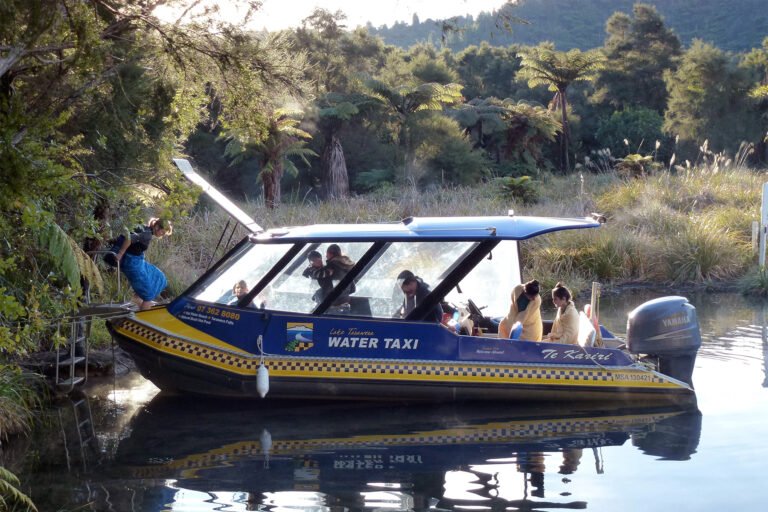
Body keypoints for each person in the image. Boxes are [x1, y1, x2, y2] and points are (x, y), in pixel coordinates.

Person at [114, 217, 172, 310]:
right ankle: (144, 308)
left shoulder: (146, 230)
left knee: (160, 277)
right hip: (132, 263)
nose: (162, 234)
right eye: (163, 232)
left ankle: (137, 298)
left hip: (138, 260)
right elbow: (129, 237)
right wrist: (120, 253)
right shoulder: (147, 234)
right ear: (157, 227)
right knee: (148, 296)